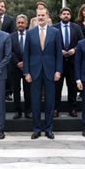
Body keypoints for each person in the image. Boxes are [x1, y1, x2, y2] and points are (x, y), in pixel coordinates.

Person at [24, 8, 62, 139]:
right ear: (36, 17)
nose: (40, 17)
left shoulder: (55, 32)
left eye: (43, 15)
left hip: (50, 71)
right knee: (35, 101)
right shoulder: (30, 33)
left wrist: (58, 70)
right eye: (38, 15)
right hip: (34, 72)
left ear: (47, 16)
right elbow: (26, 54)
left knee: (50, 101)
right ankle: (36, 129)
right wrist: (26, 72)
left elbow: (58, 53)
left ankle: (49, 128)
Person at [53, 7, 83, 117]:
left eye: (68, 14)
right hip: (58, 63)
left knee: (72, 87)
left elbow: (81, 42)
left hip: (72, 62)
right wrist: (59, 50)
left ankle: (73, 108)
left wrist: (74, 49)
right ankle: (55, 108)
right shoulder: (54, 28)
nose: (66, 15)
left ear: (70, 16)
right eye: (64, 14)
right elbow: (50, 43)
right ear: (60, 16)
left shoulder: (76, 27)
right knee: (57, 87)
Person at [10, 15, 31, 119]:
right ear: (16, 24)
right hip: (15, 68)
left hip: (28, 68)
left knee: (28, 91)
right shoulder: (11, 36)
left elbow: (33, 51)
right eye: (19, 23)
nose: (20, 24)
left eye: (22, 23)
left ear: (26, 24)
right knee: (16, 90)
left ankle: (28, 111)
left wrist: (25, 63)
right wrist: (17, 63)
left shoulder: (31, 35)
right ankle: (17, 111)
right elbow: (10, 52)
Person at [0, 0, 15, 100]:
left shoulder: (11, 20)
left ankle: (8, 92)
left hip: (7, 49)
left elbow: (12, 34)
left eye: (2, 6)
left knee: (8, 71)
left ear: (5, 8)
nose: (0, 8)